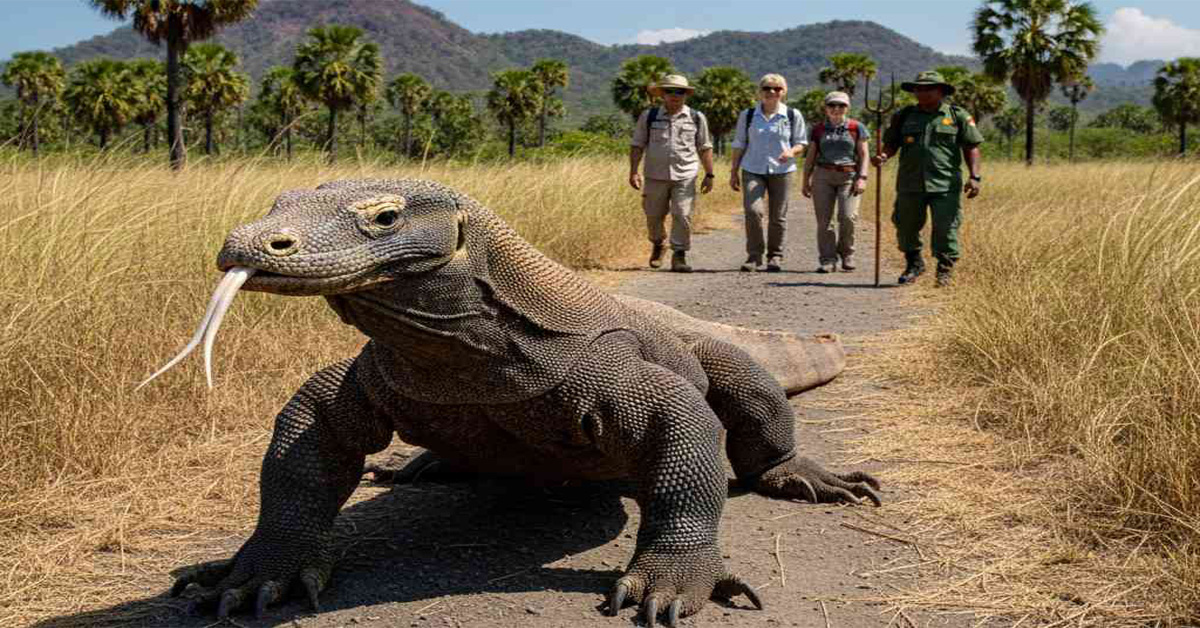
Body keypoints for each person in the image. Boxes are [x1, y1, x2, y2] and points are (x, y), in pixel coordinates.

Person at [873, 71, 984, 287]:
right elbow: (892, 143)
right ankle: (914, 264)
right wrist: (884, 156)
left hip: (945, 184)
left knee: (946, 228)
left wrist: (975, 177)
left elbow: (971, 147)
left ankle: (944, 270)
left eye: (928, 88)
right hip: (910, 183)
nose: (921, 92)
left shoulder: (957, 116)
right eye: (918, 88)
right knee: (905, 226)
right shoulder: (904, 116)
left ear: (941, 91)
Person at [629, 74, 715, 273]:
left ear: (686, 95)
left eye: (680, 91)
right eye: (670, 91)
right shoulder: (649, 116)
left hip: (685, 175)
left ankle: (679, 255)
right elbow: (637, 145)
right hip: (654, 175)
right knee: (653, 215)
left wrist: (709, 175)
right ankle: (659, 243)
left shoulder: (696, 117)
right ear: (662, 94)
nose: (675, 95)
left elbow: (704, 147)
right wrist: (633, 171)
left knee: (682, 214)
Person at [730, 73, 807, 272]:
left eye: (777, 88)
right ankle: (754, 256)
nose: (771, 92)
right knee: (753, 211)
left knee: (778, 216)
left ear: (783, 92)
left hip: (783, 171)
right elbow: (739, 143)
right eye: (767, 88)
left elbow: (801, 142)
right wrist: (733, 171)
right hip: (752, 169)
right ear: (760, 91)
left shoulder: (792, 115)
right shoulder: (747, 115)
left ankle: (775, 256)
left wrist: (791, 151)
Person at [801, 91, 870, 273]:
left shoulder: (857, 127)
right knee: (824, 221)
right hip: (823, 175)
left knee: (847, 217)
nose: (836, 109)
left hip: (848, 176)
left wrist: (862, 178)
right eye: (832, 105)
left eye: (841, 105)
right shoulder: (818, 129)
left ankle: (847, 253)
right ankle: (827, 259)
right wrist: (805, 180)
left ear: (847, 107)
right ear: (826, 108)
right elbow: (810, 156)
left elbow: (864, 154)